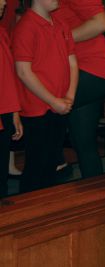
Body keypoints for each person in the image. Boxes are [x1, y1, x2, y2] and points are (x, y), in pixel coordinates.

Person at [12, 0, 78, 192]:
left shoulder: (61, 24)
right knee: (36, 164)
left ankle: (46, 209)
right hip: (37, 108)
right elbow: (23, 71)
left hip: (60, 105)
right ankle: (30, 212)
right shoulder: (26, 26)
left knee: (51, 163)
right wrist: (53, 100)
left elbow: (72, 63)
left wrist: (69, 97)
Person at [53, 0, 105, 179]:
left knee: (47, 113)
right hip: (82, 69)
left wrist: (56, 41)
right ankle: (94, 193)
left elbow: (101, 23)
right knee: (83, 142)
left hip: (92, 70)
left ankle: (57, 167)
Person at [0, 0, 23, 197]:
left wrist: (15, 112)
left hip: (5, 110)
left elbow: (9, 76)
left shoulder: (2, 33)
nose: (4, 3)